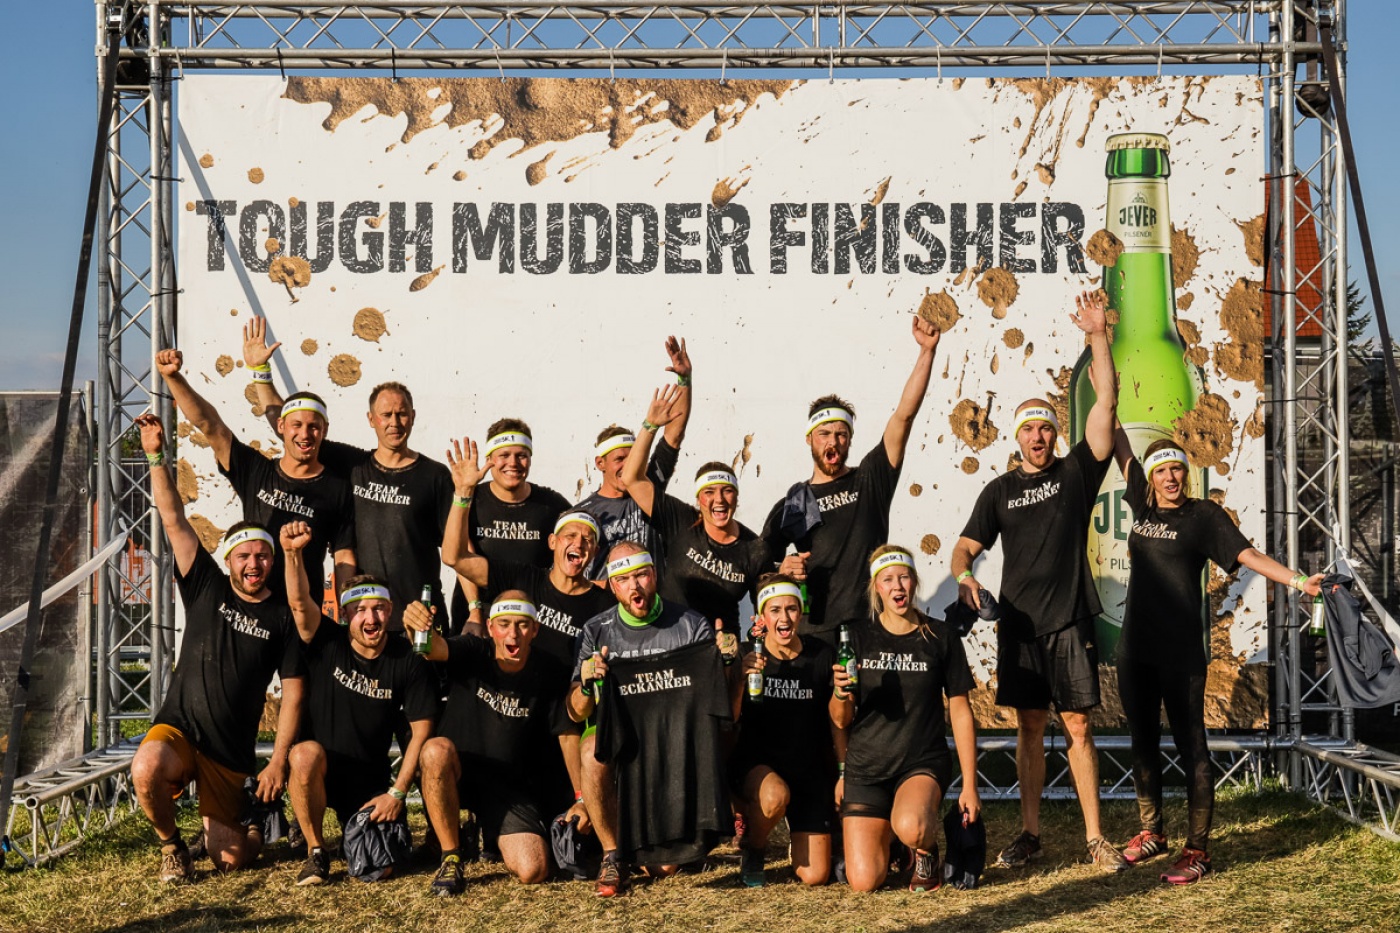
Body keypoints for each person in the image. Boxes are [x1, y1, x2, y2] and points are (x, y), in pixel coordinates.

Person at [949, 289, 1128, 872]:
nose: (1037, 437)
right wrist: (964, 577)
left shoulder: (1077, 472)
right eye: (1029, 430)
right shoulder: (999, 491)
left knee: (1078, 725)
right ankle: (1030, 835)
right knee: (1029, 727)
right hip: (1020, 630)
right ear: (1017, 438)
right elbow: (964, 548)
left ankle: (1095, 839)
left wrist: (1097, 335)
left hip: (1070, 620)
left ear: (1054, 434)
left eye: (1045, 429)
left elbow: (1106, 402)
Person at [1110, 430, 1323, 884]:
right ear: (1151, 476)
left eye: (1177, 469)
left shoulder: (1203, 515)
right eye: (1162, 470)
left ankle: (1197, 851)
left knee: (1192, 747)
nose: (1170, 477)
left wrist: (1298, 581)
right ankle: (1152, 832)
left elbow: (1248, 555)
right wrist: (1104, 381)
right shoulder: (1143, 505)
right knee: (1142, 740)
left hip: (1179, 652)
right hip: (1135, 650)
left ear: (1186, 472)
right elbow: (1118, 439)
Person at [129, 413, 305, 881]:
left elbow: (293, 693)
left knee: (230, 860)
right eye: (244, 555)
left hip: (230, 753)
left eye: (262, 556)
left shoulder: (283, 615)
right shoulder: (206, 584)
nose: (254, 564)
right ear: (228, 560)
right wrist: (155, 456)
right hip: (181, 728)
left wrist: (278, 762)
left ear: (272, 562)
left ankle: (255, 823)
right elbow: (172, 518)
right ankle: (172, 848)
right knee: (146, 768)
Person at [243, 317, 453, 632]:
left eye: (401, 414)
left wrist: (475, 613)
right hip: (368, 621)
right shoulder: (353, 465)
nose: (394, 422)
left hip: (422, 621)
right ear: (371, 419)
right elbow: (289, 426)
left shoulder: (435, 475)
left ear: (412, 417)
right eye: (386, 415)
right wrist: (260, 373)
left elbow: (459, 551)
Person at [761, 316, 942, 642]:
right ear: (809, 439)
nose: (833, 442)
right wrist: (781, 571)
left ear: (849, 440)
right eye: (824, 434)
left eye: (841, 434)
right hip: (814, 635)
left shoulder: (871, 479)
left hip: (870, 628)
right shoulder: (795, 501)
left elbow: (903, 416)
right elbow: (758, 569)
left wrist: (926, 351)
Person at [567, 541, 728, 897]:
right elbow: (575, 710)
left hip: (672, 745)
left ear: (654, 575)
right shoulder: (596, 631)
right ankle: (613, 855)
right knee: (591, 749)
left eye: (641, 575)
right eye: (623, 580)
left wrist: (728, 662)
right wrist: (588, 680)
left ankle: (664, 836)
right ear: (612, 587)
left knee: (663, 869)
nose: (634, 586)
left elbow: (717, 704)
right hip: (621, 744)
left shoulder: (691, 625)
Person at [280, 522, 437, 885]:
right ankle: (316, 850)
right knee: (303, 755)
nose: (371, 618)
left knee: (378, 869)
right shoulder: (327, 641)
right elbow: (300, 603)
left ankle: (353, 837)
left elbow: (422, 731)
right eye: (361, 609)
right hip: (321, 770)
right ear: (346, 614)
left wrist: (397, 793)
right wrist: (292, 553)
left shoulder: (406, 657)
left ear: (390, 610)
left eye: (379, 608)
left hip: (369, 783)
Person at [831, 546, 981, 893]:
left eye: (904, 577)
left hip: (921, 761)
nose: (897, 586)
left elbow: (960, 710)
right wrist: (839, 694)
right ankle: (896, 843)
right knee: (864, 881)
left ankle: (925, 849)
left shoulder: (941, 636)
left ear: (914, 582)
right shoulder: (855, 637)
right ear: (876, 587)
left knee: (912, 825)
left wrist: (970, 785)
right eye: (887, 579)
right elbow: (840, 719)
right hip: (866, 768)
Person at [404, 593, 574, 893]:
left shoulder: (550, 670)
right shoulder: (474, 650)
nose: (513, 634)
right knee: (435, 751)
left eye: (522, 625)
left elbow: (567, 735)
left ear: (535, 630)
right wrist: (414, 625)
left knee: (533, 869)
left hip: (508, 788)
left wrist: (580, 798)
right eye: (504, 624)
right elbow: (431, 647)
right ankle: (451, 855)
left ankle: (487, 832)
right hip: (459, 773)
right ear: (491, 628)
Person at [156, 347, 356, 598]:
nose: (305, 434)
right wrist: (173, 377)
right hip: (253, 606)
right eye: (296, 425)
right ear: (281, 426)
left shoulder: (338, 488)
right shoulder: (255, 470)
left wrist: (349, 608)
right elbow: (209, 425)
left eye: (313, 427)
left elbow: (344, 555)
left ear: (324, 430)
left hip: (303, 613)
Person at [617, 385, 772, 630]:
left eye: (727, 491)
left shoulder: (755, 550)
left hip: (718, 646)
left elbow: (765, 616)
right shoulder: (680, 519)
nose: (719, 499)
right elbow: (631, 478)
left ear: (736, 497)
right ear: (699, 500)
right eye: (709, 492)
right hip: (669, 639)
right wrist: (650, 425)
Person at [731, 574, 839, 887]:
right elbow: (729, 718)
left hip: (808, 772)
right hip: (759, 768)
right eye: (775, 610)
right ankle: (755, 847)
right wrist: (739, 679)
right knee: (775, 795)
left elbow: (837, 720)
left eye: (791, 609)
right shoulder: (747, 655)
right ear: (762, 616)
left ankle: (797, 835)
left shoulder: (822, 654)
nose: (784, 617)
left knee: (815, 876)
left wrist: (841, 772)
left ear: (801, 612)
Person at [577, 336, 692, 579]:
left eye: (634, 457)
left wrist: (684, 380)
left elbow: (674, 435)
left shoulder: (648, 488)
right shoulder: (583, 513)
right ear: (600, 463)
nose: (629, 465)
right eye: (620, 459)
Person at [449, 418, 570, 631]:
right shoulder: (470, 499)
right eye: (504, 455)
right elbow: (458, 558)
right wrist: (475, 610)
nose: (513, 463)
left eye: (521, 455)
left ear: (530, 459)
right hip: (476, 621)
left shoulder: (552, 505)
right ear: (489, 459)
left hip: (528, 626)